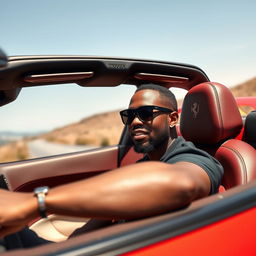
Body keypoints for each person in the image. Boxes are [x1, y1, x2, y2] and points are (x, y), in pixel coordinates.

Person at [0, 83, 223, 248]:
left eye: (145, 114)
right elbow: (106, 216)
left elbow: (182, 183)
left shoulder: (197, 159)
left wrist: (36, 203)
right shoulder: (148, 160)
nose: (135, 122)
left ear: (173, 119)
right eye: (130, 115)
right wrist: (66, 247)